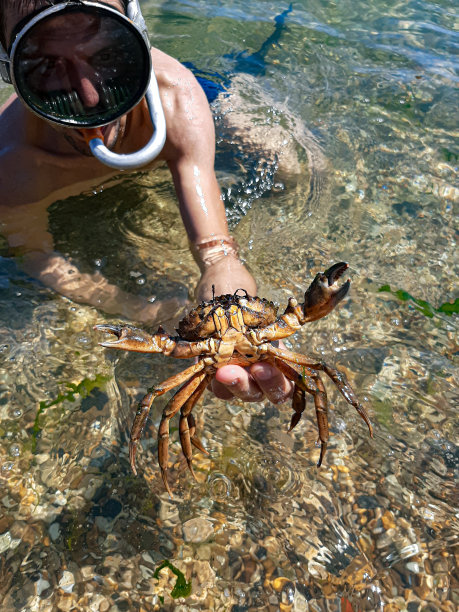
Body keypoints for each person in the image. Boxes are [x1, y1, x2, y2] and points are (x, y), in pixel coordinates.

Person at [0, 0, 293, 404]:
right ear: (8, 68)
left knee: (291, 167)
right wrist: (140, 309)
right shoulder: (13, 166)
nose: (90, 99)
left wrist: (237, 319)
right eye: (46, 66)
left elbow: (217, 254)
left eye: (108, 54)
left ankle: (230, 85)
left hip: (187, 92)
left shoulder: (177, 99)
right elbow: (35, 255)